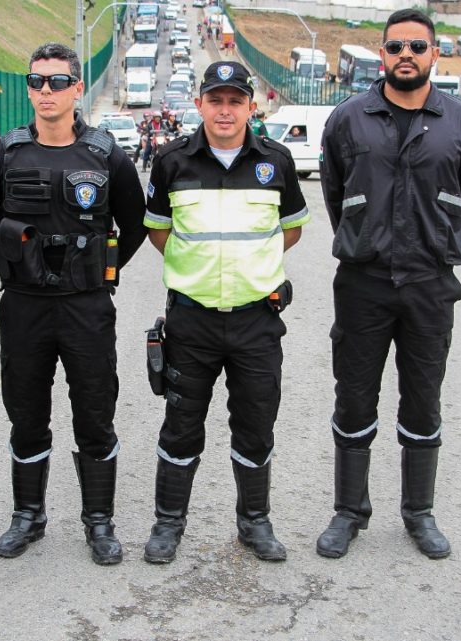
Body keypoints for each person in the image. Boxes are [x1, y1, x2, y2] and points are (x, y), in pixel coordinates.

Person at [316, 9, 461, 561]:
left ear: (435, 54)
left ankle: (419, 513)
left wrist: (433, 243)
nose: (406, 55)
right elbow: (335, 191)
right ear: (383, 54)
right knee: (354, 397)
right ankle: (349, 512)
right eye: (396, 47)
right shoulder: (349, 119)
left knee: (423, 400)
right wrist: (367, 238)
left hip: (429, 285)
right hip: (363, 282)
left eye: (418, 46)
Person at [0, 42, 147, 566]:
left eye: (56, 81)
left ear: (77, 88)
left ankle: (99, 522)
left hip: (86, 306)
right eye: (36, 81)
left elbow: (134, 225)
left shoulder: (105, 155)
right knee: (25, 411)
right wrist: (25, 263)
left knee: (95, 412)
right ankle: (28, 515)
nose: (44, 91)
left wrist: (91, 267)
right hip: (24, 306)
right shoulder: (4, 154)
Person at [141, 61, 309, 564]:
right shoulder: (171, 161)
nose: (225, 110)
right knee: (181, 424)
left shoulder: (275, 162)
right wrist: (198, 271)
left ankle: (254, 524)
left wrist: (251, 269)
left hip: (256, 321)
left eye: (235, 100)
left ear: (250, 107)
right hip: (191, 320)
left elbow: (292, 229)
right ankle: (168, 525)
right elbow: (158, 231)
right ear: (199, 105)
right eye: (215, 100)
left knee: (256, 424)